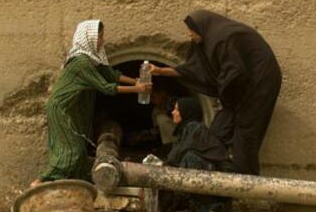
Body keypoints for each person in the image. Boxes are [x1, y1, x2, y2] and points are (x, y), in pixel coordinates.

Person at [151, 10, 282, 175]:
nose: (190, 35)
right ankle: (220, 177)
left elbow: (235, 71)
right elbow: (194, 71)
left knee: (245, 138)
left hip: (258, 89)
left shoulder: (223, 39)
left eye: (192, 31)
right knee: (217, 133)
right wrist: (160, 71)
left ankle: (246, 185)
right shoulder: (210, 43)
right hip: (237, 96)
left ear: (202, 28)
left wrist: (224, 91)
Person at [30, 20, 151, 187]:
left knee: (79, 151)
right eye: (99, 37)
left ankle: (72, 188)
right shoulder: (81, 63)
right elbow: (105, 87)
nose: (102, 41)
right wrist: (137, 90)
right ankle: (39, 184)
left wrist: (135, 81)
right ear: (89, 38)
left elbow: (111, 74)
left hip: (73, 110)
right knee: (72, 152)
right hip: (62, 110)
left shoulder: (93, 59)